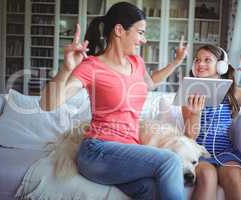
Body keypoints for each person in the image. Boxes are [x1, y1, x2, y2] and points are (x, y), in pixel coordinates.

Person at [40, 2, 189, 200]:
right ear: (119, 30)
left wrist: (176, 62)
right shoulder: (91, 66)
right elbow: (48, 104)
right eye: (140, 32)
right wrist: (66, 68)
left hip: (127, 151)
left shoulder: (136, 63)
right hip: (97, 152)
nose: (143, 40)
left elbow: (150, 82)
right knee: (171, 161)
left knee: (151, 191)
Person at [181, 44, 241, 200]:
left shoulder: (231, 92)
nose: (200, 64)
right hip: (197, 152)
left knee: (233, 177)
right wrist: (195, 113)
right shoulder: (189, 93)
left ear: (221, 66)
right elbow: (190, 136)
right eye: (197, 60)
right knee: (207, 176)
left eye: (207, 60)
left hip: (225, 152)